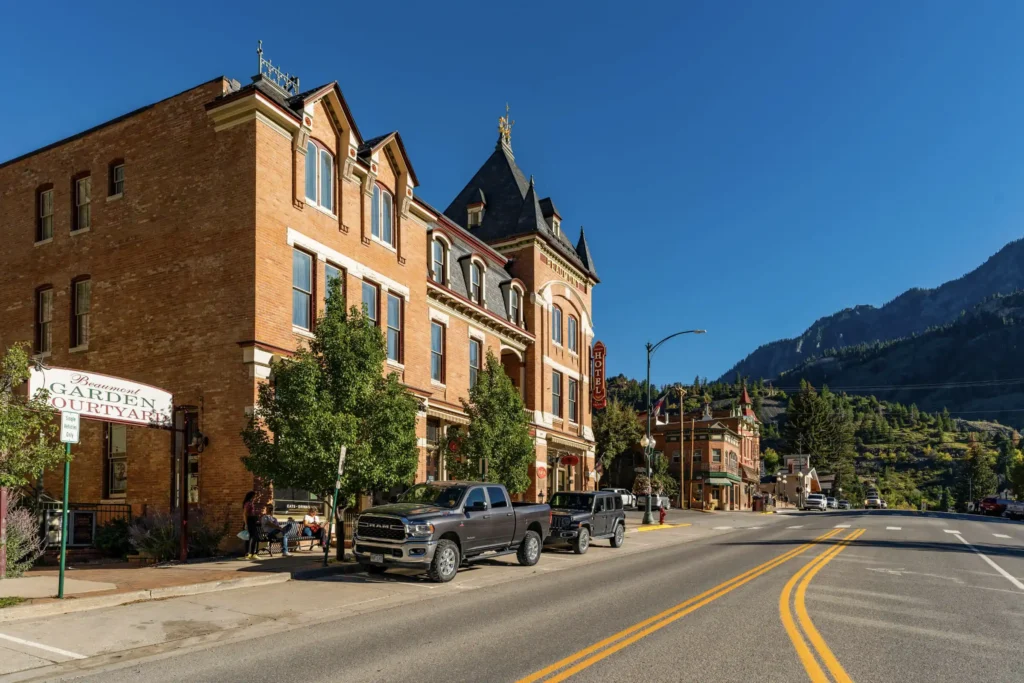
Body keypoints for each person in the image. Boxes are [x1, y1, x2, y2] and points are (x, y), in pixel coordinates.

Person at [242, 491, 260, 560]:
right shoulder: (248, 503)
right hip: (249, 521)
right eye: (254, 496)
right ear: (251, 496)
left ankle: (252, 553)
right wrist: (246, 524)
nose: (255, 497)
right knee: (248, 538)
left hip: (252, 521)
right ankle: (248, 554)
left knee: (255, 537)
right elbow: (245, 514)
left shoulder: (251, 503)